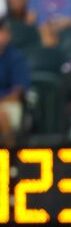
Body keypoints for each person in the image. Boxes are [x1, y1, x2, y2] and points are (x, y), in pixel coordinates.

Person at [0, 16, 30, 147]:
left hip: (9, 103)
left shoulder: (16, 58)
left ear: (7, 35)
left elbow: (17, 93)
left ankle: (10, 155)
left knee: (2, 117)